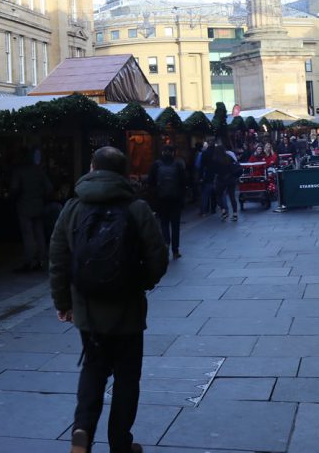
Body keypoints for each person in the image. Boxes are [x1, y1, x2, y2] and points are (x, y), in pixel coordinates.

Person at [49, 146, 168, 453]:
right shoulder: (137, 208)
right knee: (127, 379)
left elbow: (58, 259)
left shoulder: (73, 207)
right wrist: (140, 283)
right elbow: (158, 257)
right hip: (127, 311)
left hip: (87, 309)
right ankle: (120, 444)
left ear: (92, 168)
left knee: (93, 370)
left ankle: (81, 434)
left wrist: (63, 302)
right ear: (123, 171)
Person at [10, 147, 52, 273]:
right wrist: (42, 198)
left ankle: (29, 262)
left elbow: (14, 188)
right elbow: (49, 187)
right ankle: (41, 261)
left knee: (28, 235)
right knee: (39, 234)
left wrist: (13, 198)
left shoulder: (19, 171)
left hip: (24, 206)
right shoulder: (39, 171)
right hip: (39, 206)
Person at [145, 145, 187, 259]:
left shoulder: (156, 165)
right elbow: (184, 182)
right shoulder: (178, 165)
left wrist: (154, 197)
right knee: (175, 225)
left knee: (164, 223)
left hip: (161, 199)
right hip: (176, 199)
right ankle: (175, 250)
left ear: (162, 152)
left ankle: (166, 244)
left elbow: (150, 182)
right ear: (173, 153)